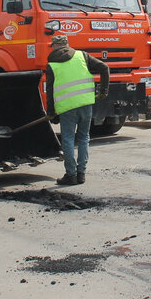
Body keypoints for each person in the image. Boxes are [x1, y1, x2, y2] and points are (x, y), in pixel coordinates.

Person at [45, 34, 110, 186]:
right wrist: (103, 91)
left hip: (67, 108)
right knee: (84, 138)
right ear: (67, 44)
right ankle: (81, 174)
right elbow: (104, 67)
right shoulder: (82, 56)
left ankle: (71, 174)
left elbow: (50, 91)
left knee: (68, 138)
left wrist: (51, 112)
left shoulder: (51, 65)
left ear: (54, 46)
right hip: (85, 104)